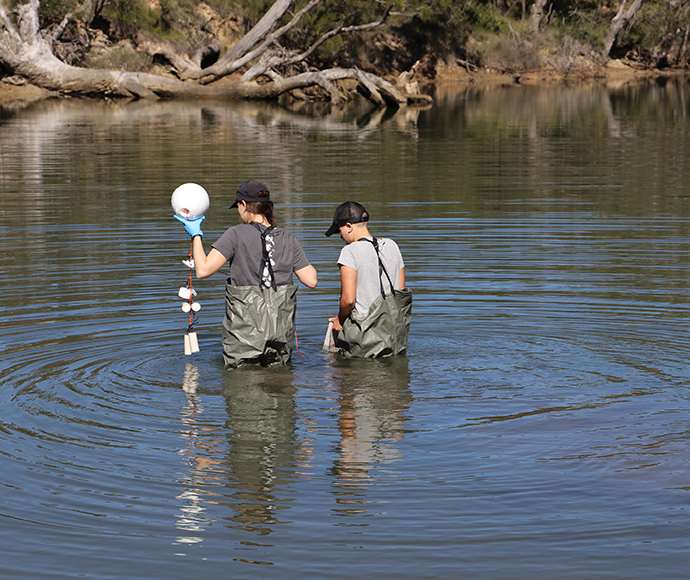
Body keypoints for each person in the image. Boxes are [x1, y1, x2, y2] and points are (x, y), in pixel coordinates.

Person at [175, 179, 317, 368]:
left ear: (243, 205)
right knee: (279, 386)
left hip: (244, 336)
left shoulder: (236, 234)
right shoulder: (288, 237)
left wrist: (196, 235)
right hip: (280, 333)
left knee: (243, 388)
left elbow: (202, 270)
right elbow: (311, 280)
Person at [324, 201, 412, 358]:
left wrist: (339, 320)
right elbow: (400, 293)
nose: (341, 237)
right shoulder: (392, 246)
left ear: (349, 227)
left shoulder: (349, 252)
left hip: (366, 341)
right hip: (395, 335)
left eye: (340, 231)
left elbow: (348, 301)